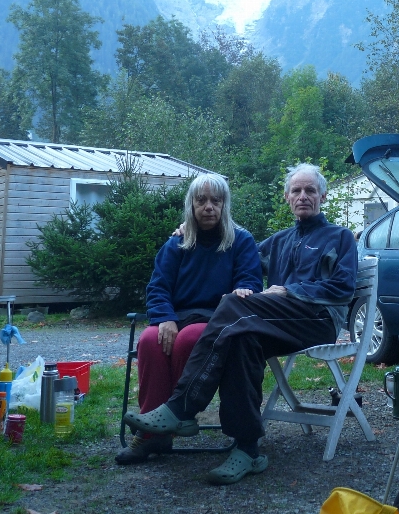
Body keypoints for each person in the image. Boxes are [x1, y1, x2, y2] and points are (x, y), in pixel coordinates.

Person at [123, 163, 357, 484]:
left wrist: (290, 289)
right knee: (241, 339)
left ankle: (181, 407)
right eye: (297, 191)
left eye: (310, 191)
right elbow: (231, 248)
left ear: (323, 196)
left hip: (317, 321)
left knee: (232, 303)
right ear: (287, 197)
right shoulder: (279, 240)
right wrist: (189, 228)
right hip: (277, 322)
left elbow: (343, 287)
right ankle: (247, 448)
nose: (303, 196)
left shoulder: (340, 237)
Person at [115, 172, 262, 465]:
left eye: (216, 201)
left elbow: (249, 282)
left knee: (189, 340)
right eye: (202, 200)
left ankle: (181, 415)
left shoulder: (240, 241)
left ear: (224, 205)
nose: (209, 207)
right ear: (191, 205)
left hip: (216, 318)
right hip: (176, 315)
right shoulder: (178, 243)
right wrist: (164, 318)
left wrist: (241, 291)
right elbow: (158, 286)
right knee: (148, 341)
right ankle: (152, 434)